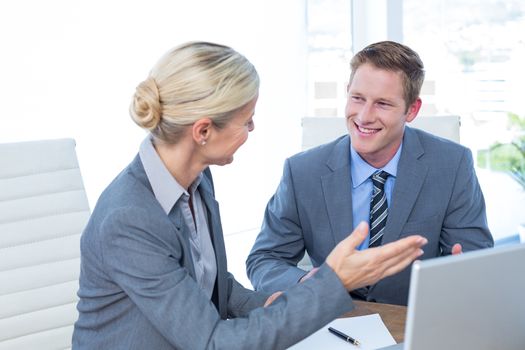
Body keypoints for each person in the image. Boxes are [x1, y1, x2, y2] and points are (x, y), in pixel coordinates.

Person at [72, 41, 427, 349]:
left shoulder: (195, 179)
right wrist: (333, 281)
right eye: (246, 121)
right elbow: (214, 343)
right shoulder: (130, 218)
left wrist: (262, 303)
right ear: (204, 131)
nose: (252, 129)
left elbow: (202, 278)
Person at [246, 41, 494, 306]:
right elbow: (265, 259)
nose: (364, 116)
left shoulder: (452, 165)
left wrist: (461, 274)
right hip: (330, 320)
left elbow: (473, 258)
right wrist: (306, 284)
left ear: (412, 110)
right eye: (357, 98)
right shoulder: (302, 172)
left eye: (383, 104)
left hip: (411, 320)